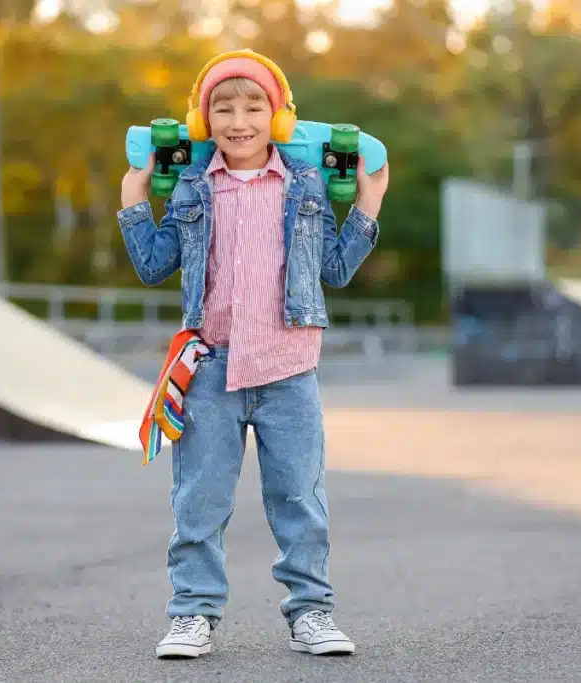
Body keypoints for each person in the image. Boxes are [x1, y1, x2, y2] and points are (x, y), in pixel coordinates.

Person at [117, 49, 389, 659]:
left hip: (288, 369)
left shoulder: (307, 187)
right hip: (210, 368)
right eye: (222, 107)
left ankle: (311, 613)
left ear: (280, 117)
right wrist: (136, 201)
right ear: (201, 118)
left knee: (299, 499)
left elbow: (337, 271)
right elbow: (155, 263)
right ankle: (192, 614)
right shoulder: (191, 184)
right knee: (199, 502)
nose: (238, 120)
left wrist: (367, 206)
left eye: (253, 106)